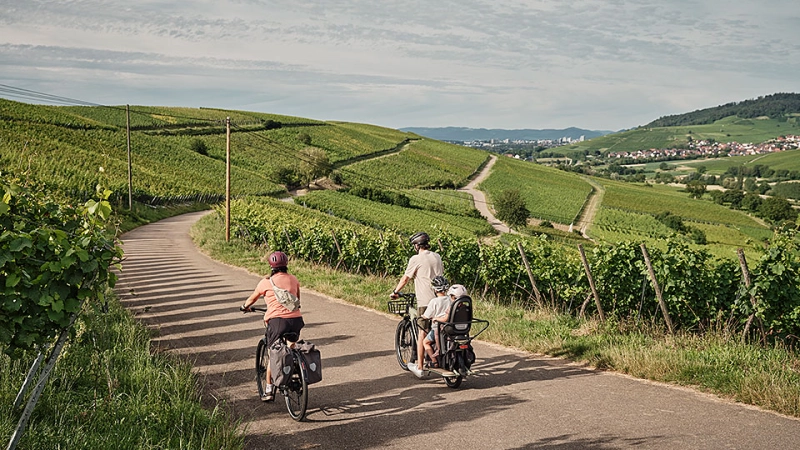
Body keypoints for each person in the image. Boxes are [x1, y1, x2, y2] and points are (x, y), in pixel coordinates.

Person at [241, 251, 304, 402]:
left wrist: (244, 307)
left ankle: (269, 390)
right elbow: (297, 300)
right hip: (296, 319)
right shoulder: (294, 279)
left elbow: (251, 299)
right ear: (286, 264)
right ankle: (296, 368)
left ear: (271, 266)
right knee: (291, 345)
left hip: (277, 322)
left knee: (273, 353)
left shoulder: (265, 282)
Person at [390, 231, 443, 375]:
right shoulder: (437, 257)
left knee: (422, 333)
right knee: (438, 330)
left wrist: (395, 291)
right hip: (439, 298)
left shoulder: (416, 259)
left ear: (417, 245)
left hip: (425, 301)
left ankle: (420, 367)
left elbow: (405, 278)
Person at [408, 276, 450, 378]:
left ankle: (434, 361)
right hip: (448, 328)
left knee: (425, 342)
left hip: (437, 328)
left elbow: (427, 315)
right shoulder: (450, 299)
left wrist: (423, 316)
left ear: (435, 289)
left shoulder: (434, 302)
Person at [420, 283, 468, 373]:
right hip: (461, 329)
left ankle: (434, 361)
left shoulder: (451, 307)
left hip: (446, 329)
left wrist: (434, 318)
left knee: (425, 342)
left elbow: (445, 318)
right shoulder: (465, 308)